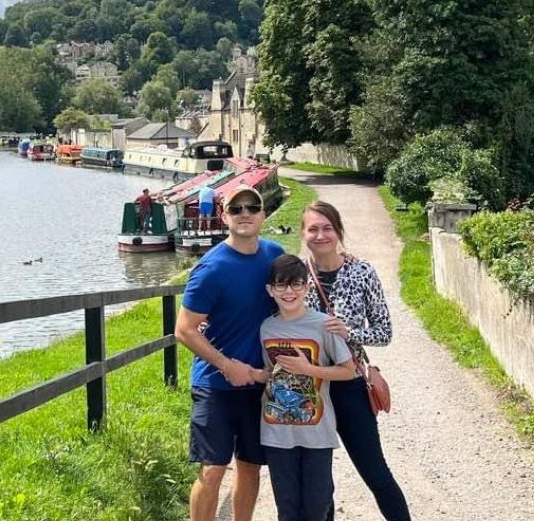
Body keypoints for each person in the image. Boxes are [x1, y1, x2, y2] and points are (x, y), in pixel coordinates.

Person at [174, 185, 285, 521]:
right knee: (213, 469)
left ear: (264, 215)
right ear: (224, 216)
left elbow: (302, 286)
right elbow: (184, 329)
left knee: (250, 466)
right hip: (215, 384)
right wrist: (226, 365)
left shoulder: (274, 256)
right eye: (237, 209)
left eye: (253, 208)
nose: (245, 214)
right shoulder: (212, 269)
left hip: (259, 384)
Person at [300, 201, 411, 521]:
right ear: (303, 233)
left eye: (327, 228)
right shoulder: (295, 273)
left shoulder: (362, 272)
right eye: (313, 228)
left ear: (338, 231)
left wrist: (350, 332)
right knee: (321, 483)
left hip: (349, 386)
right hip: (310, 389)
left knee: (376, 473)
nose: (320, 235)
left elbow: (384, 331)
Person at [259, 254, 355, 521]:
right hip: (276, 430)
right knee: (287, 508)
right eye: (281, 285)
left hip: (317, 431)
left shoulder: (323, 325)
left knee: (317, 506)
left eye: (296, 284)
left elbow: (348, 370)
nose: (289, 291)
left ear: (307, 287)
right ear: (270, 290)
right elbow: (270, 373)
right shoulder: (266, 328)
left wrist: (308, 370)